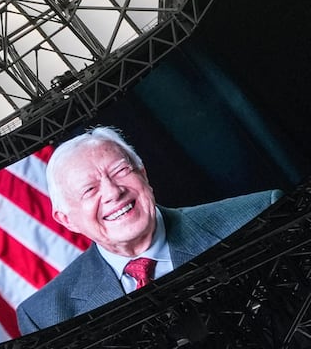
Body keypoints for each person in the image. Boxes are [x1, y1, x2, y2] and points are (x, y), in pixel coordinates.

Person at [16, 127, 281, 334]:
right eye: (89, 190)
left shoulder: (258, 216)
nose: (112, 192)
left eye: (120, 171)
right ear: (67, 220)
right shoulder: (45, 315)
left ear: (143, 174)